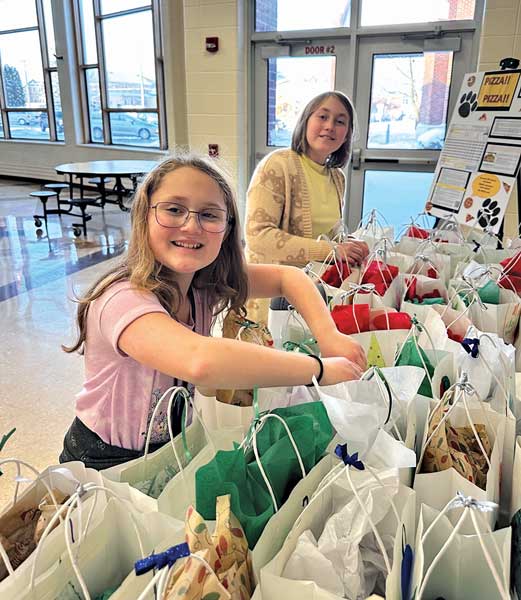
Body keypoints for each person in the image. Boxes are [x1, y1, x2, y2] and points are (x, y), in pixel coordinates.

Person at [59, 154, 366, 470]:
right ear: (144, 216)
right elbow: (200, 361)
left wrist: (330, 337)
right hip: (100, 460)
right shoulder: (123, 298)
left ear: (227, 228)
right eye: (174, 209)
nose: (191, 226)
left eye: (209, 215)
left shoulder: (205, 283)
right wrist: (318, 368)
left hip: (169, 448)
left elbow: (289, 277)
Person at [244, 91, 369, 323]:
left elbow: (327, 235)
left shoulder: (336, 177)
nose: (330, 126)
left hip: (310, 292)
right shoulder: (278, 165)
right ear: (305, 121)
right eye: (322, 116)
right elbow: (258, 236)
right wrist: (332, 251)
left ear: (347, 135)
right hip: (269, 297)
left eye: (340, 121)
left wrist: (348, 244)